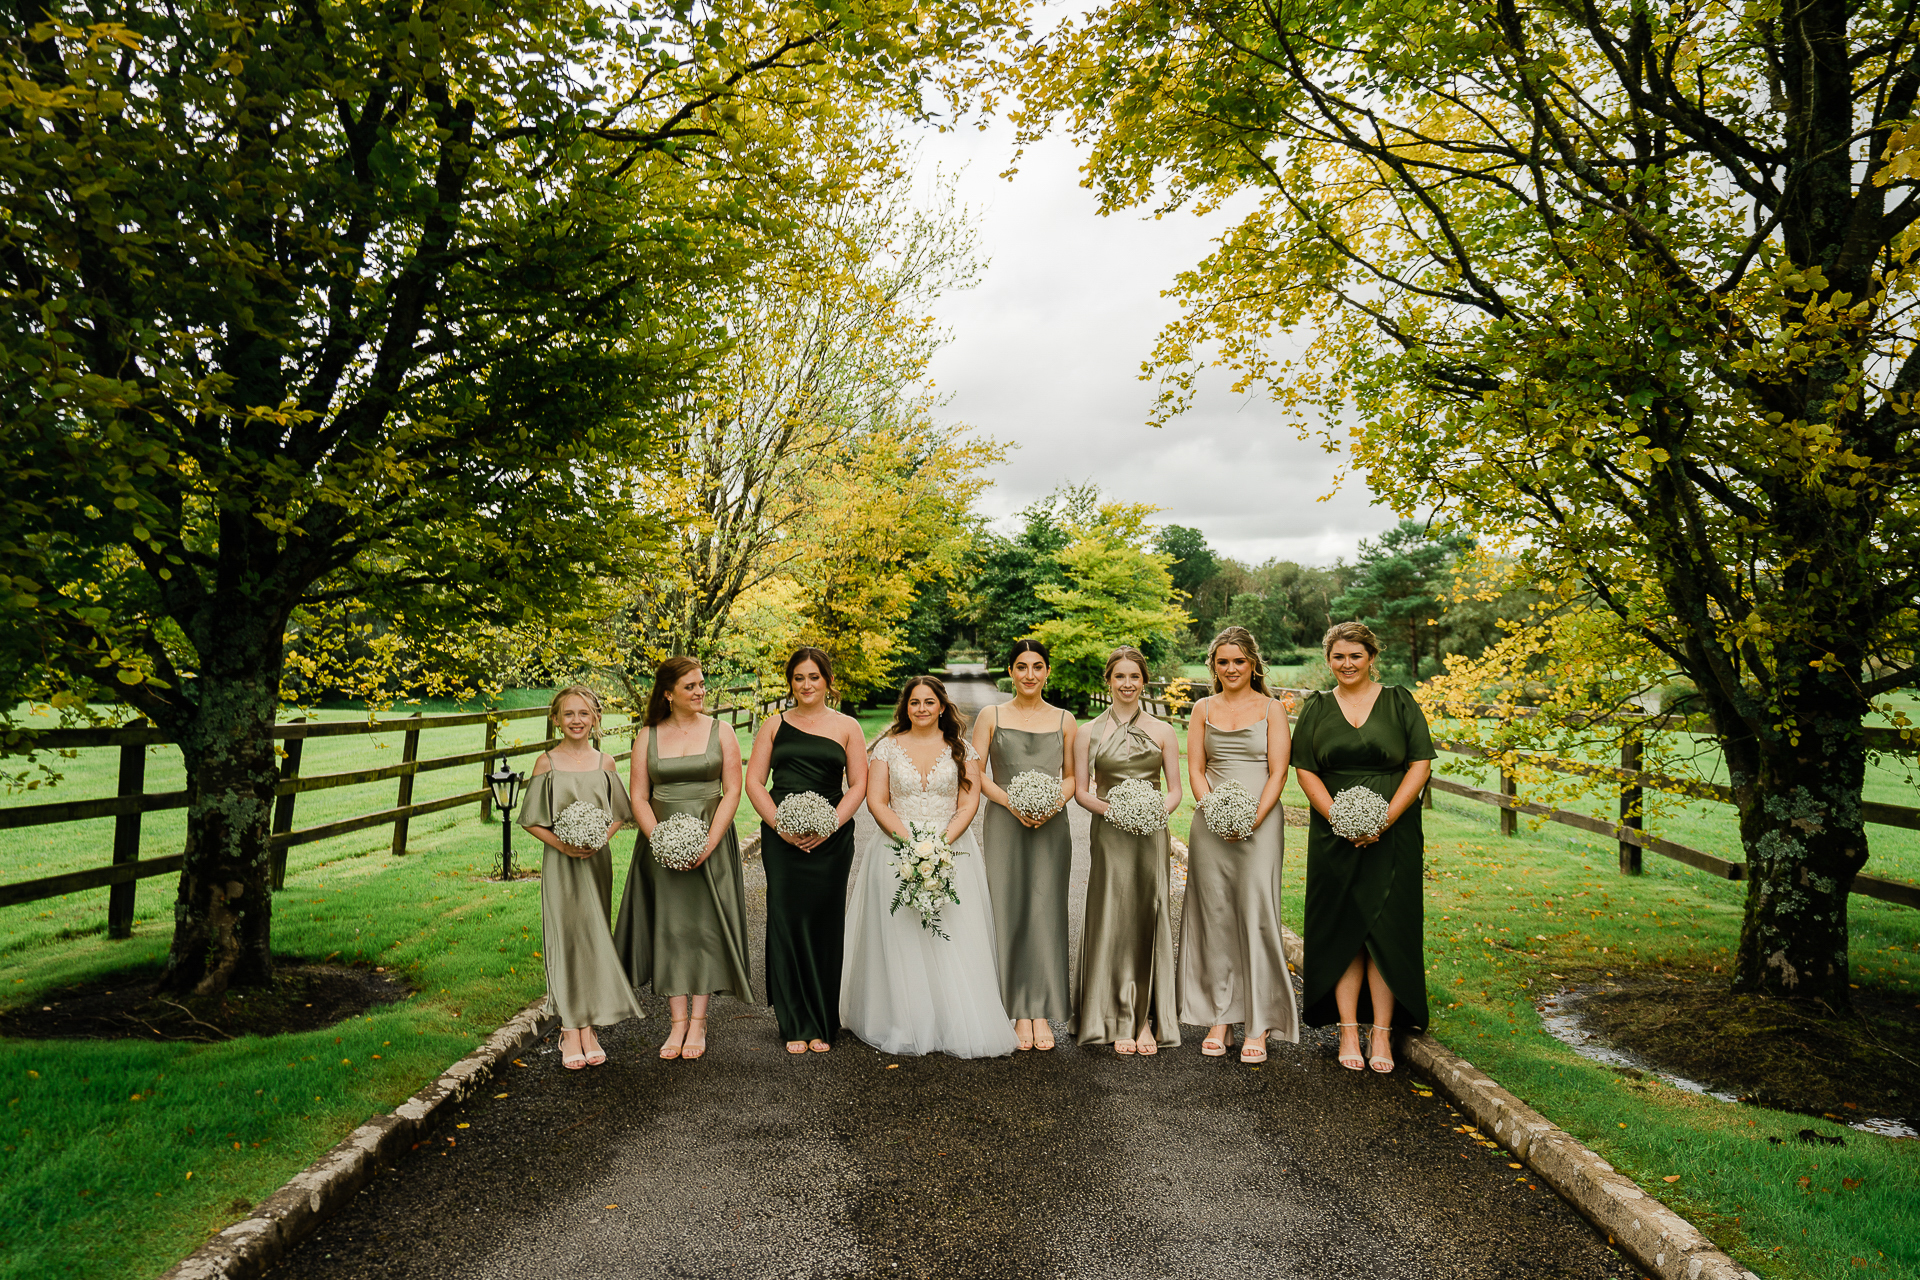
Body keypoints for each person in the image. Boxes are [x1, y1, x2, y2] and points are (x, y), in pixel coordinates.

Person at [842, 677, 1018, 1058]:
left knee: (951, 935)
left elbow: (968, 804)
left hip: (953, 850)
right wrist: (912, 847)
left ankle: (952, 1019)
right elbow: (878, 802)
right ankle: (904, 1020)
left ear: (942, 706)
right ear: (905, 707)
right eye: (914, 702)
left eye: (929, 702)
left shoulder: (962, 749)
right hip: (895, 849)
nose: (921, 708)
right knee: (900, 935)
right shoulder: (886, 749)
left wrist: (939, 846)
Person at [1292, 622, 1435, 1073]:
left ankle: (1382, 1034)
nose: (1347, 664)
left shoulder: (1399, 701)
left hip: (1394, 836)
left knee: (1386, 932)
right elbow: (1306, 770)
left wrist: (1382, 819)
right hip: (1332, 836)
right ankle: (1348, 1030)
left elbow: (1420, 763)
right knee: (1344, 930)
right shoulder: (1316, 707)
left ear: (1372, 656)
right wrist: (1340, 818)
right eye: (1338, 657)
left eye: (1355, 655)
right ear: (1328, 660)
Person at [615, 656, 753, 1062]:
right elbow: (638, 796)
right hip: (661, 846)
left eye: (702, 684)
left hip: (711, 842)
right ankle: (676, 1022)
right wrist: (661, 839)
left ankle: (700, 1020)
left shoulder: (721, 730)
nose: (700, 691)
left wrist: (708, 843)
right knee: (671, 929)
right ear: (668, 693)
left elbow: (732, 790)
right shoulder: (648, 736)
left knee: (705, 929)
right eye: (691, 686)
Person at [1177, 626, 1301, 1064]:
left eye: (1239, 661)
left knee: (1257, 915)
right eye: (1223, 662)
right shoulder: (1201, 708)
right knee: (1216, 917)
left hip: (1260, 824)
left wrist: (1250, 818)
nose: (1231, 669)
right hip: (1211, 824)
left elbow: (1278, 773)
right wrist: (1216, 811)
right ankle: (1221, 1017)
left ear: (1253, 664)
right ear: (1213, 666)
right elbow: (1196, 769)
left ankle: (1260, 1022)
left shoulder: (1272, 709)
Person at [744, 647, 868, 1054]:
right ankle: (794, 1019)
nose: (807, 685)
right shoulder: (774, 725)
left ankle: (823, 1020)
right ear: (790, 683)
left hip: (832, 840)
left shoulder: (848, 726)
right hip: (782, 841)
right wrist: (780, 825)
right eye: (799, 678)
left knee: (824, 922)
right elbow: (755, 783)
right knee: (786, 918)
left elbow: (859, 787)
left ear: (828, 681)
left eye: (814, 677)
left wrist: (830, 823)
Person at [519, 685, 645, 1069]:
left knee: (592, 936)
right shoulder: (546, 763)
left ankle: (589, 1027)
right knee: (566, 937)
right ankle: (569, 1029)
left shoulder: (605, 763)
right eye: (569, 714)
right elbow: (530, 820)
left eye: (584, 714)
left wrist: (595, 841)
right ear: (555, 719)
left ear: (595, 719)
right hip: (561, 863)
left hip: (595, 861)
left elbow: (621, 813)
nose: (576, 721)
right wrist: (564, 845)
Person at [1072, 646, 1182, 1055]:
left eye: (1135, 676)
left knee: (1149, 913)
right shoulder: (1087, 732)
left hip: (1151, 832)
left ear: (1144, 680)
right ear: (1109, 680)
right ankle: (1115, 1015)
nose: (1128, 684)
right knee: (1112, 913)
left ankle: (1148, 1019)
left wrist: (1152, 811)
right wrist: (1116, 810)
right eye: (1120, 676)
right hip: (1110, 831)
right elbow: (1082, 792)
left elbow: (1175, 790)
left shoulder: (1164, 730)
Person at [971, 639, 1076, 1051]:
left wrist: (1050, 803)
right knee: (1008, 907)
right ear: (1010, 672)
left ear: (1048, 671)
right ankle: (1015, 1009)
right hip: (1004, 821)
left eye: (1037, 666)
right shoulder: (990, 715)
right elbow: (976, 773)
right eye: (1021, 666)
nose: (1029, 674)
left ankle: (1042, 1010)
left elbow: (1072, 777)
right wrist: (1013, 803)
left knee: (1046, 910)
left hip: (1052, 823)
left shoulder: (1065, 719)